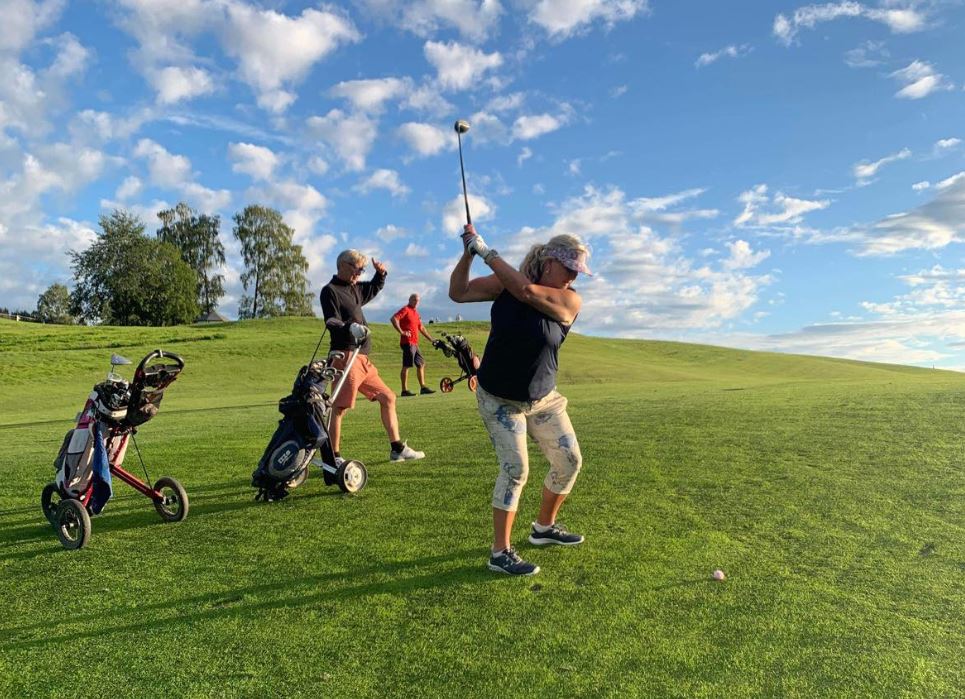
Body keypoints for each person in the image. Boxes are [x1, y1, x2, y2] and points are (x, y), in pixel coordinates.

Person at [449, 224, 591, 576]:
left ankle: (544, 528)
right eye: (569, 268)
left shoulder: (569, 300)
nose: (574, 277)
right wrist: (467, 255)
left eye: (578, 272)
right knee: (516, 470)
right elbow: (458, 293)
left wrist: (486, 252)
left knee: (570, 462)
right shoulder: (503, 285)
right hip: (499, 398)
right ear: (548, 262)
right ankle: (500, 552)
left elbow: (527, 291)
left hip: (543, 399)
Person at [320, 249, 425, 463]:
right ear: (343, 265)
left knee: (388, 397)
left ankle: (397, 449)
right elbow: (331, 321)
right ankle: (334, 457)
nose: (359, 273)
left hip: (363, 359)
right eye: (357, 269)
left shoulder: (355, 289)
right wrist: (351, 328)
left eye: (362, 270)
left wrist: (381, 275)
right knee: (339, 408)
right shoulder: (330, 290)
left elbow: (373, 288)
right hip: (346, 356)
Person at [390, 293, 437, 396]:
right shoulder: (405, 309)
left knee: (421, 364)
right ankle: (404, 390)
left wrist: (431, 339)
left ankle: (423, 387)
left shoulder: (416, 313)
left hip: (414, 343)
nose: (416, 302)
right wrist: (402, 332)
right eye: (414, 300)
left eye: (418, 301)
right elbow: (394, 319)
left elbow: (422, 328)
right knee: (406, 365)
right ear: (410, 300)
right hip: (407, 342)